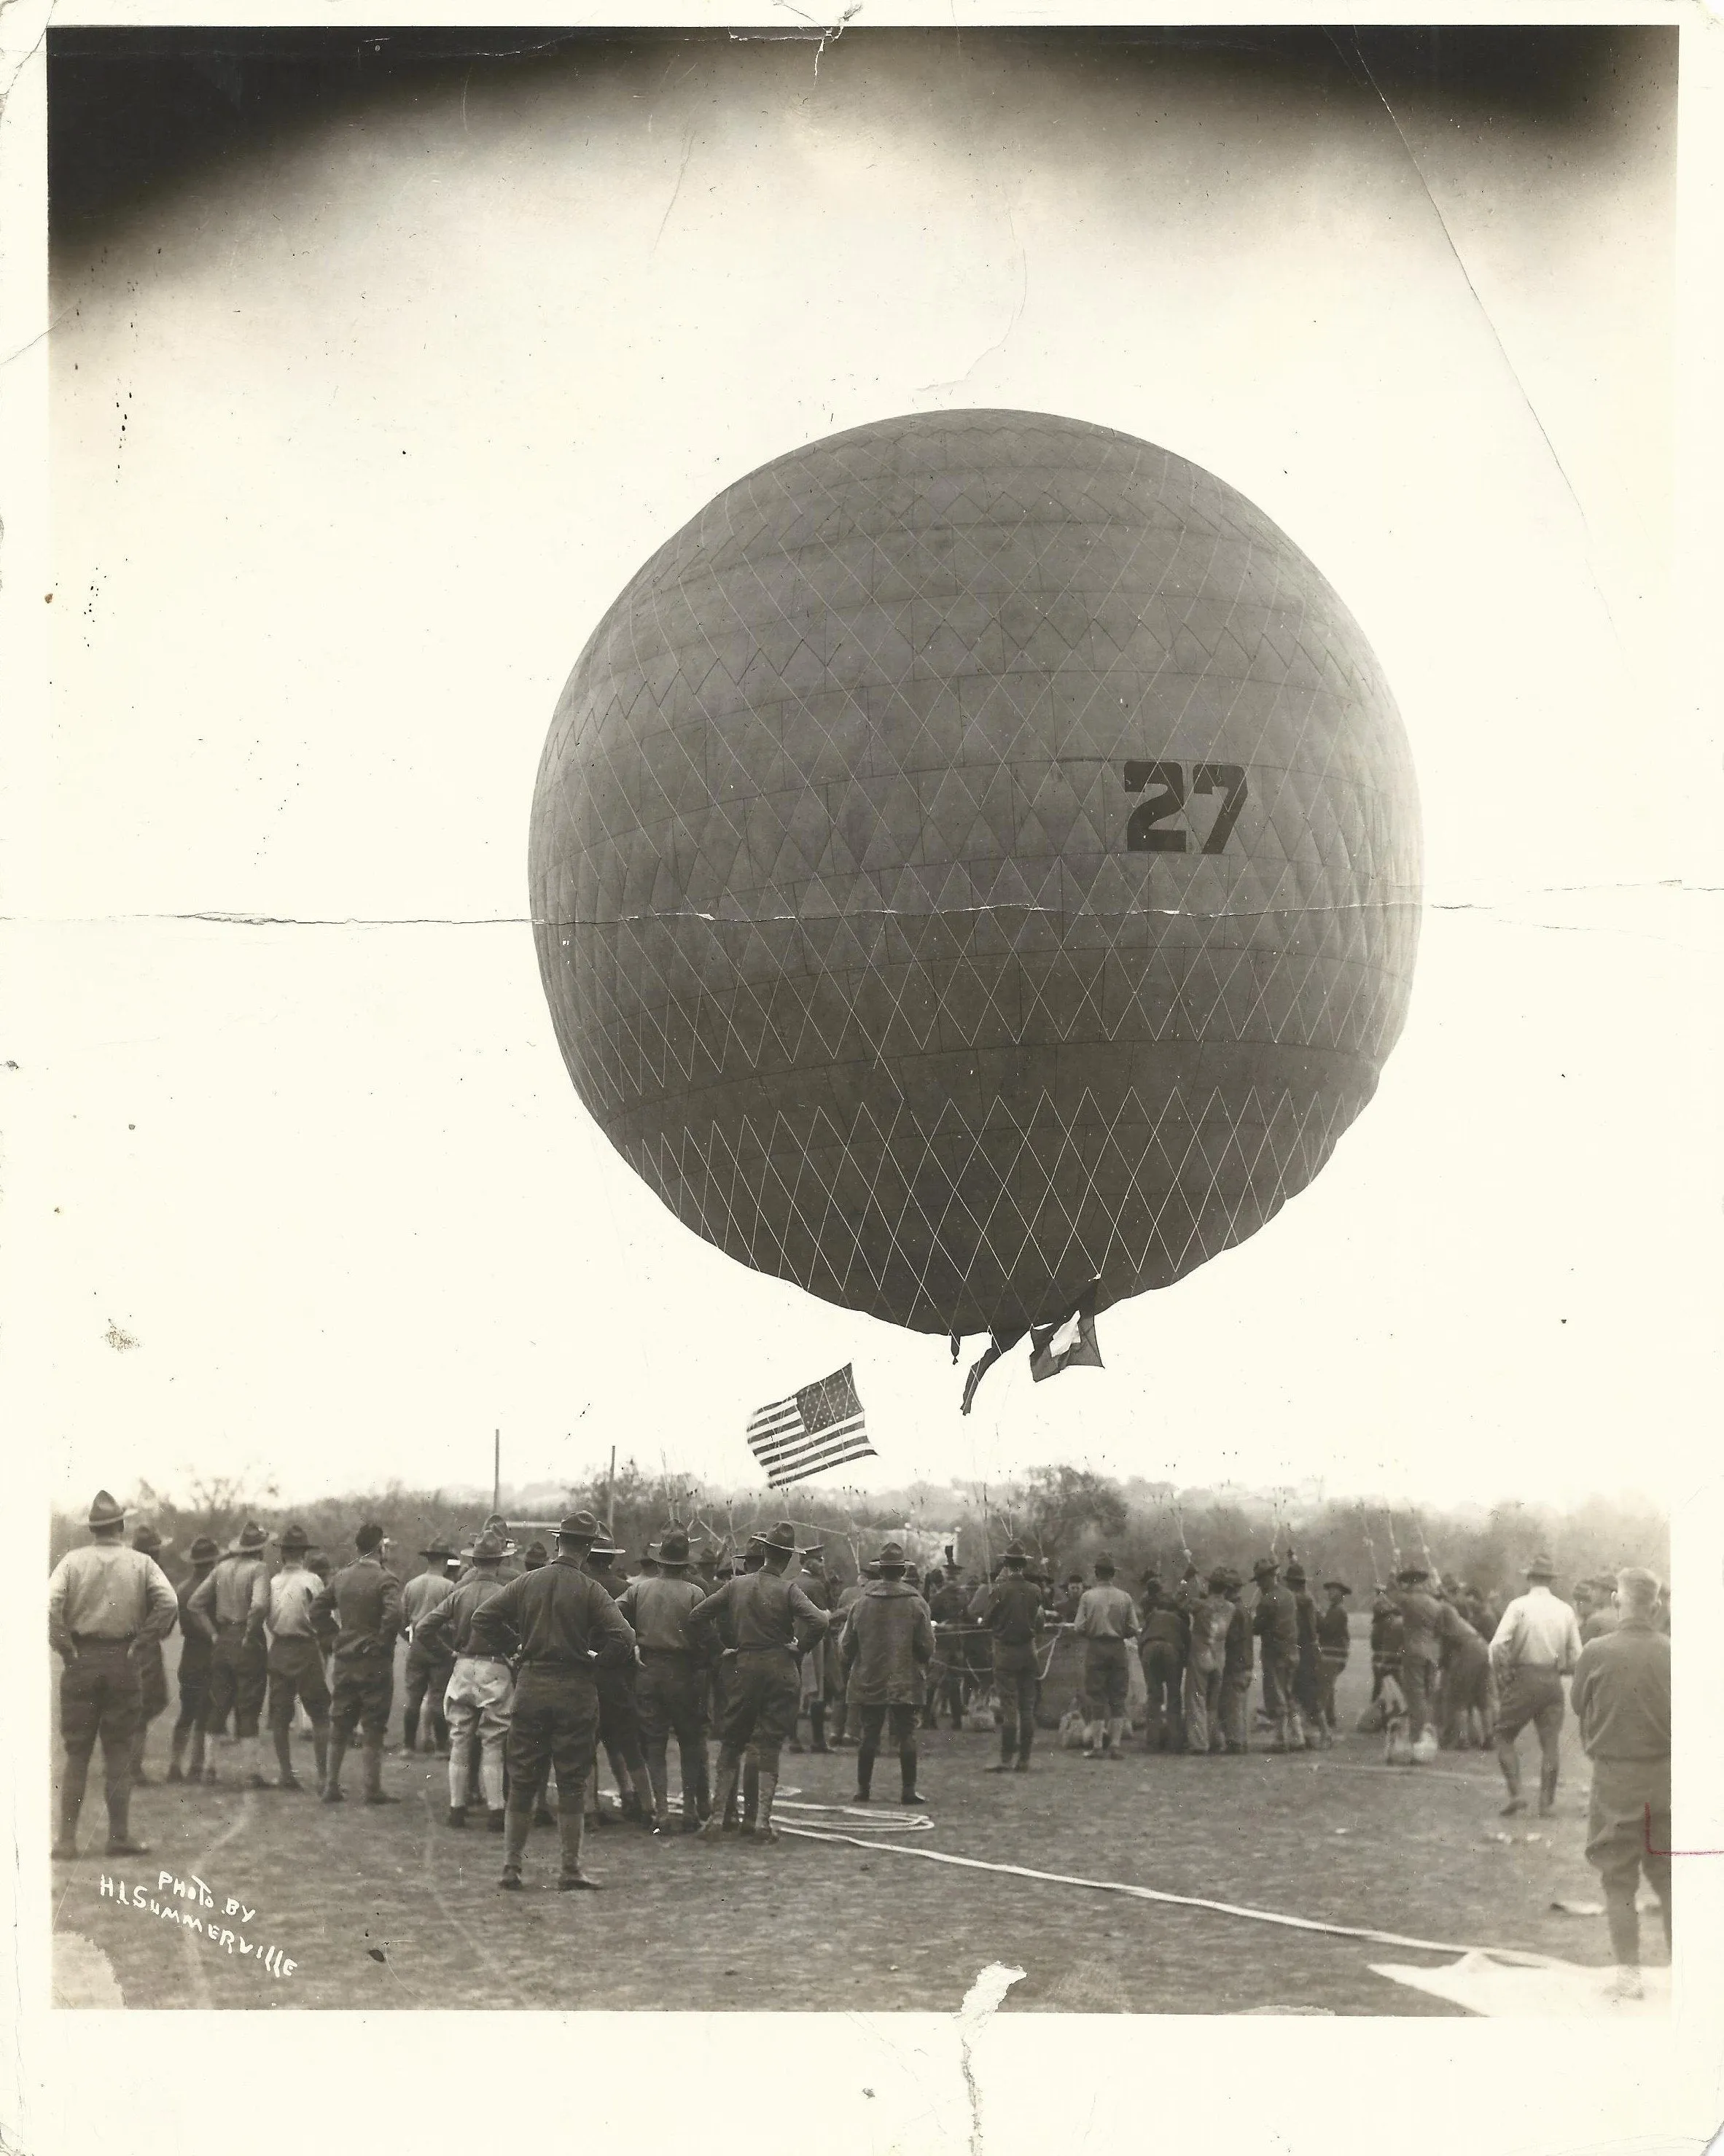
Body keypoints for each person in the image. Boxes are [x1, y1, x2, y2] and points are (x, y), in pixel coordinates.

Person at [469, 1510, 636, 1890]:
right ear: (590, 1547)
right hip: (575, 1690)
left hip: (531, 1685)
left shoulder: (527, 1582)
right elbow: (624, 1638)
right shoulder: (591, 1589)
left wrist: (514, 1648)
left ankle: (511, 1868)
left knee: (524, 1778)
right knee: (572, 1781)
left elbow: (483, 1618)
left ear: (558, 1541)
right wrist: (597, 1665)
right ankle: (569, 1869)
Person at [49, 1490, 178, 1859]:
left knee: (77, 1753)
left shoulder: (72, 1562)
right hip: (123, 1659)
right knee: (119, 1749)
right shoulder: (141, 1563)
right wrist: (143, 1642)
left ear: (93, 1528)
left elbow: (49, 1604)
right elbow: (169, 1602)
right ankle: (118, 1836)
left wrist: (63, 1646)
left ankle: (67, 1840)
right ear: (121, 1526)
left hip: (81, 1659)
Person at [690, 1522, 831, 1842]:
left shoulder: (736, 1586)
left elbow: (697, 1615)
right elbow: (819, 1621)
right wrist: (800, 1648)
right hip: (780, 1668)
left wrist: (719, 1650)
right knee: (766, 1746)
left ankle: (715, 1820)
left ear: (765, 1552)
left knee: (731, 1742)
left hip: (744, 1666)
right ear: (788, 1559)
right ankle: (761, 1823)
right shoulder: (788, 1590)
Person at [1572, 1568, 1671, 2001]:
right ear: (1656, 1606)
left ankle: (1629, 1975)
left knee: (1618, 1878)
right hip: (1667, 1779)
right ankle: (1688, 1975)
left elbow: (1579, 1703)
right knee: (1670, 1879)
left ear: (1617, 1601)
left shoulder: (1597, 1651)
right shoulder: (1674, 1652)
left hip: (1615, 1780)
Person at [418, 1528, 514, 1829]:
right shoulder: (505, 1594)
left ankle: (456, 1808)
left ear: (474, 1561)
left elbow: (424, 1628)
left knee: (460, 1738)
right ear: (498, 1562)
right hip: (495, 1666)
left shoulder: (459, 1593)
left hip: (463, 1666)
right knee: (494, 1740)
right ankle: (496, 1810)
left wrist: (448, 1654)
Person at [617, 1529, 709, 1834]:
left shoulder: (638, 1591)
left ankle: (661, 1811)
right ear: (684, 1563)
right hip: (683, 1672)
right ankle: (691, 1811)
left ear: (659, 1562)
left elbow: (614, 1614)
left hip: (649, 1670)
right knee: (690, 1742)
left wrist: (633, 1642)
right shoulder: (695, 1593)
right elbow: (704, 1636)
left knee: (654, 1743)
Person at [311, 1523, 404, 1805]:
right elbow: (394, 1615)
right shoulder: (387, 1579)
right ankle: (371, 1788)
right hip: (374, 1662)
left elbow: (317, 1609)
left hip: (345, 1659)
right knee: (374, 1725)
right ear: (379, 1548)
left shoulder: (341, 1576)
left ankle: (331, 1785)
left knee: (340, 1722)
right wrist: (381, 1643)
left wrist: (333, 1638)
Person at [839, 1541, 935, 1803]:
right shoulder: (917, 1603)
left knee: (869, 1733)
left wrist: (855, 1664)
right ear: (902, 1571)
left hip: (869, 1678)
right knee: (906, 1734)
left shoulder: (861, 1604)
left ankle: (863, 1789)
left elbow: (846, 1646)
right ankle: (908, 1790)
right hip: (905, 1678)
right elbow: (927, 1646)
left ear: (880, 1571)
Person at [1489, 1554, 1583, 1817]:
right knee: (1550, 1742)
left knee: (1504, 1734)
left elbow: (1497, 1645)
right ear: (1551, 1580)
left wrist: (1502, 1675)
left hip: (1524, 1677)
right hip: (1552, 1679)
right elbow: (1577, 1653)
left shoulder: (1519, 1606)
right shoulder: (1565, 1610)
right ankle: (1546, 1803)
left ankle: (1517, 1793)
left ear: (1530, 1578)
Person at [187, 1522, 271, 1789]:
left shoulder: (221, 1568)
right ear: (260, 1548)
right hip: (247, 1640)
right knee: (249, 1705)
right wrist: (250, 1631)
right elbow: (258, 1605)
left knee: (219, 1702)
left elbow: (195, 1604)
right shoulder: (259, 1569)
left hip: (223, 1639)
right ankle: (251, 1773)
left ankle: (209, 1769)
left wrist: (214, 1634)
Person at [251, 1525, 332, 1791]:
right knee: (319, 1714)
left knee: (280, 1717)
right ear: (303, 1555)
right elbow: (322, 1614)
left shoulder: (272, 1582)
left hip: (280, 1648)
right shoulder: (313, 1581)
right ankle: (322, 1776)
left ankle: (287, 1773)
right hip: (306, 1648)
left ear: (283, 1555)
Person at [582, 1533, 650, 1826]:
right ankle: (641, 1803)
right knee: (627, 1743)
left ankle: (590, 1808)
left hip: (586, 1673)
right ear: (611, 1559)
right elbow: (633, 1637)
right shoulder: (626, 1589)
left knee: (586, 1743)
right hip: (618, 1676)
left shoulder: (578, 1587)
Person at [967, 1542, 1045, 1774]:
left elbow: (987, 1620)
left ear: (1007, 1565)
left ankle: (1006, 1759)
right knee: (1027, 1708)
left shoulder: (999, 1591)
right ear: (1023, 1565)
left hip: (1005, 1654)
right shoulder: (1035, 1591)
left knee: (1009, 1707)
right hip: (1028, 1653)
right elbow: (1039, 1622)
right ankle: (1025, 1760)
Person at [1070, 1554, 1139, 1759]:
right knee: (1118, 1697)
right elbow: (1134, 1627)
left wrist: (1092, 1632)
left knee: (1096, 1696)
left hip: (1096, 1648)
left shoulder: (1087, 1597)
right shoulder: (1125, 1597)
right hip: (1118, 1648)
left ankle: (1098, 1746)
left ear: (1096, 1574)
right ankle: (1116, 1746)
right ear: (1113, 1575)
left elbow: (1078, 1627)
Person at [167, 1533, 220, 1783]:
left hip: (190, 1653)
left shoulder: (183, 1589)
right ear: (212, 1563)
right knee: (206, 1711)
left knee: (187, 1710)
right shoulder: (214, 1589)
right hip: (208, 1651)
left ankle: (175, 1764)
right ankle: (197, 1765)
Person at [127, 1525, 173, 1783]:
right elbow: (165, 1622)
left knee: (127, 1707)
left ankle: (122, 1764)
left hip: (121, 1645)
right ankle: (133, 1769)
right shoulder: (156, 1578)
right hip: (146, 1648)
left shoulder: (123, 1573)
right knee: (143, 1708)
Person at [402, 1541, 458, 1756]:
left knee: (414, 1697)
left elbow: (403, 1620)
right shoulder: (448, 1587)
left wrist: (411, 1640)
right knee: (437, 1697)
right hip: (440, 1645)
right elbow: (453, 1621)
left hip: (417, 1645)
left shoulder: (411, 1585)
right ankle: (442, 1747)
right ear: (444, 1561)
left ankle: (408, 1746)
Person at [1250, 1556, 1303, 1751]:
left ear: (1267, 1578)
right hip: (1292, 1652)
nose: (1259, 1585)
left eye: (1260, 1580)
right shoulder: (1289, 1595)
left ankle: (1281, 1739)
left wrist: (1251, 1619)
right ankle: (1298, 1737)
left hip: (1275, 1654)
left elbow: (1257, 1628)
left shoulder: (1267, 1600)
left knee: (1276, 1695)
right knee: (1289, 1694)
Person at [1182, 1567, 1233, 1756]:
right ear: (1225, 1589)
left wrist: (1186, 1581)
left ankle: (1199, 1743)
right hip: (1219, 1657)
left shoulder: (1199, 1605)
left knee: (1196, 1700)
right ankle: (1216, 1740)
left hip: (1201, 1655)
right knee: (1213, 1704)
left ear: (1210, 1586)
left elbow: (1181, 1602)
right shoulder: (1230, 1607)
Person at [789, 1544, 834, 1754]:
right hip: (813, 1643)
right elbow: (824, 1616)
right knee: (817, 1692)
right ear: (810, 1563)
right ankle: (818, 1741)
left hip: (792, 1642)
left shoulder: (791, 1583)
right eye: (820, 1561)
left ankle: (794, 1740)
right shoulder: (816, 1585)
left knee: (793, 1691)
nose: (823, 1564)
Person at [1284, 1562, 1327, 1748]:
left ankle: (1310, 1734)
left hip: (1303, 1651)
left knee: (1296, 1694)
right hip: (1310, 1650)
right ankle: (1313, 1733)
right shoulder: (1309, 1599)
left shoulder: (1299, 1599)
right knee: (1307, 1696)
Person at [1138, 1578, 1182, 1752]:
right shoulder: (1178, 1619)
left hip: (1149, 1649)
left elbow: (1143, 1639)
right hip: (1171, 1649)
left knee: (1154, 1696)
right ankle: (1175, 1741)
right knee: (1173, 1695)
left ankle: (1152, 1741)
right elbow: (1185, 1645)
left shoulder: (1152, 1616)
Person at [1218, 1570, 1252, 1754]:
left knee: (1232, 1705)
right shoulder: (1245, 1609)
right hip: (1246, 1663)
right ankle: (1241, 1740)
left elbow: (1228, 1637)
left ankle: (1235, 1742)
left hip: (1235, 1664)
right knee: (1240, 1704)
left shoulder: (1233, 1611)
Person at [1315, 1581, 1351, 1739]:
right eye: (1329, 1590)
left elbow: (1325, 1629)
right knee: (1328, 1688)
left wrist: (1316, 1614)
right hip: (1335, 1655)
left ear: (1340, 1595)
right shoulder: (1336, 1610)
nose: (1330, 1593)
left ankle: (1323, 1722)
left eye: (1334, 1591)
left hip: (1332, 1655)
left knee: (1324, 1689)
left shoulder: (1338, 1612)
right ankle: (1330, 1719)